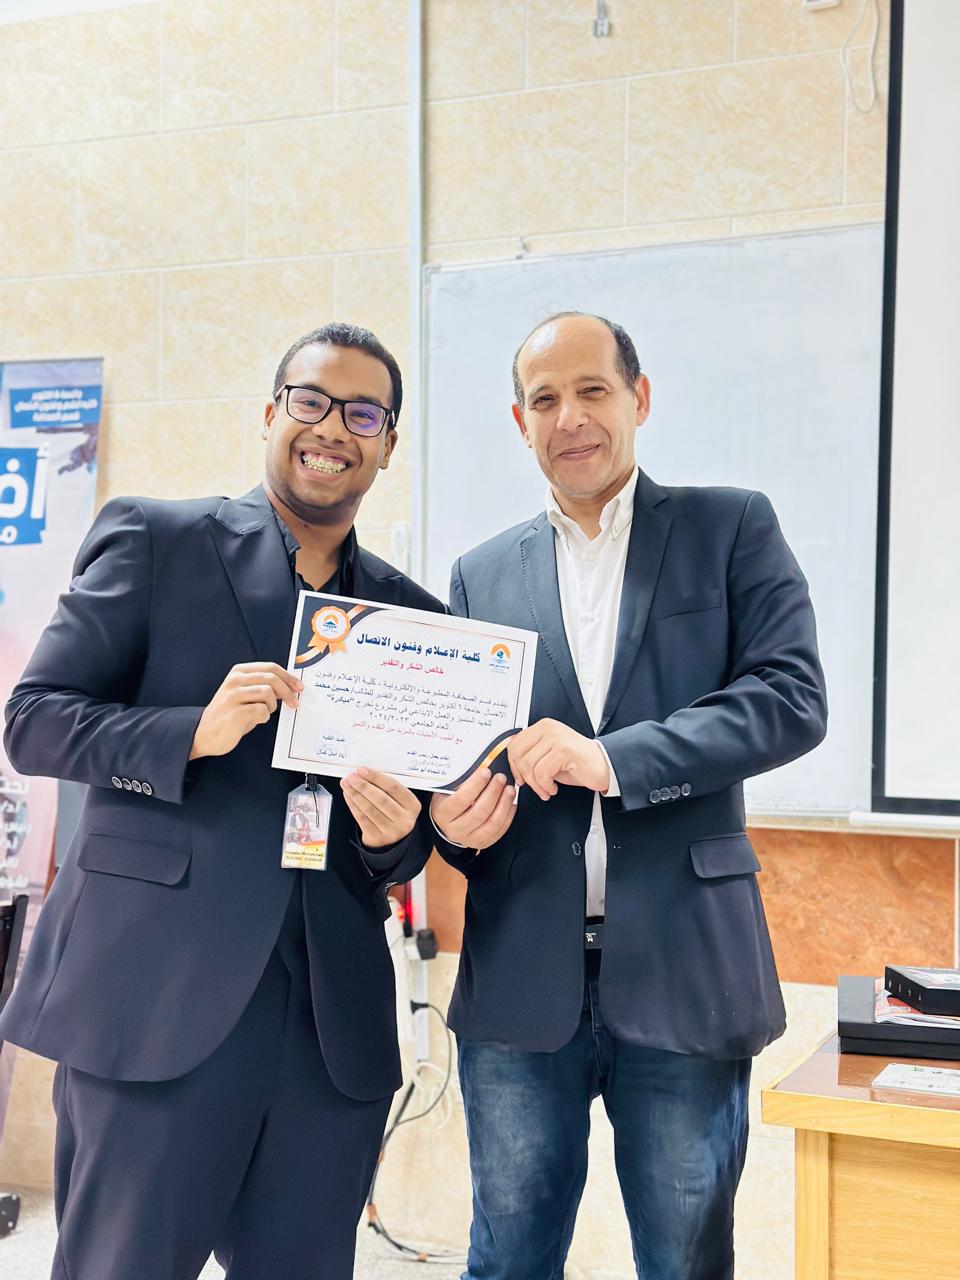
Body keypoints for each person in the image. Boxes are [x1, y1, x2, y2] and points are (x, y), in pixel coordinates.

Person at [0, 323, 444, 1280]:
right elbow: (32, 723)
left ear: (387, 443)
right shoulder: (158, 540)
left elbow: (406, 849)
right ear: (271, 413)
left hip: (327, 1032)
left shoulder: (414, 621)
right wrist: (188, 733)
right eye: (311, 401)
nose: (333, 428)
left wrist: (397, 836)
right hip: (154, 1001)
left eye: (363, 414)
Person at [430, 311, 827, 1280]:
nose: (570, 417)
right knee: (506, 1259)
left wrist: (613, 759)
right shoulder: (479, 573)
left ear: (639, 398)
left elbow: (790, 698)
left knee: (687, 1261)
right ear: (520, 422)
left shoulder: (731, 526)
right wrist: (453, 819)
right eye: (545, 399)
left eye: (592, 391)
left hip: (686, 964)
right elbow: (465, 756)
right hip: (520, 973)